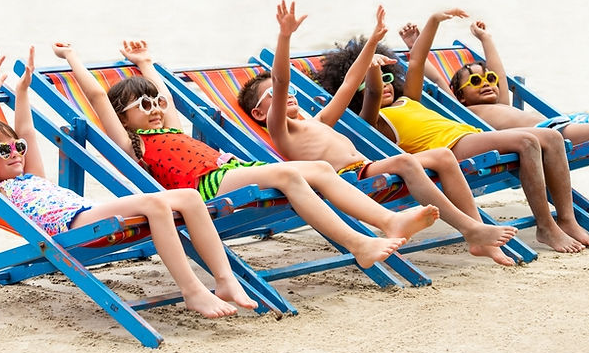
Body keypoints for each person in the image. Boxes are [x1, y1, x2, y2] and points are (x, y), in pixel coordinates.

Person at [51, 41, 441, 271]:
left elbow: (166, 97)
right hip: (204, 186)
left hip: (231, 169)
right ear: (124, 116)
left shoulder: (169, 125)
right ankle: (359, 244)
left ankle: (390, 221)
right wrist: (73, 59)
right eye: (143, 104)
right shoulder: (132, 142)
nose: (154, 107)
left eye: (155, 101)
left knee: (320, 168)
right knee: (289, 177)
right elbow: (100, 97)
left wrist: (147, 63)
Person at [0, 48, 258, 319]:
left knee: (190, 198)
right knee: (155, 203)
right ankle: (193, 291)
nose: (15, 154)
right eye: (5, 150)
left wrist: (23, 91)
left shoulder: (31, 175)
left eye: (18, 148)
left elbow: (27, 131)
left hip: (88, 210)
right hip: (71, 225)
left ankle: (225, 279)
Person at [237, 0, 517, 266]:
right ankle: (470, 229)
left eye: (291, 93)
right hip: (349, 179)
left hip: (365, 168)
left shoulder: (319, 120)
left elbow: (349, 83)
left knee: (443, 156)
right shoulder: (280, 130)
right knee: (406, 161)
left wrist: (372, 41)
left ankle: (479, 234)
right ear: (261, 114)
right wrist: (285, 37)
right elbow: (281, 79)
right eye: (275, 95)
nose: (287, 95)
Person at [316, 8, 589, 253]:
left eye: (390, 76)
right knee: (528, 142)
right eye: (375, 80)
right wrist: (371, 69)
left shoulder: (408, 99)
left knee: (550, 136)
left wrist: (434, 21)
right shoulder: (371, 117)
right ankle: (546, 227)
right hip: (453, 147)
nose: (387, 84)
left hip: (470, 135)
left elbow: (416, 61)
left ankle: (567, 218)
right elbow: (374, 91)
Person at [412, 20, 589, 226]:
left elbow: (498, 70)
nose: (486, 83)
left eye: (489, 79)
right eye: (474, 81)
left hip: (561, 122)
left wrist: (486, 38)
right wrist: (415, 42)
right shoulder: (462, 111)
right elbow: (435, 79)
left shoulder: (501, 101)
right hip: (548, 135)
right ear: (459, 95)